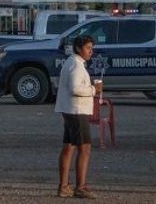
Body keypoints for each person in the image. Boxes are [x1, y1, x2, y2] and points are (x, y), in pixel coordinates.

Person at [54, 35, 102, 199]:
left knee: (69, 147)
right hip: (77, 111)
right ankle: (80, 187)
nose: (91, 51)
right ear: (78, 48)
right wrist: (94, 90)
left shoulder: (72, 62)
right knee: (85, 147)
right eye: (88, 48)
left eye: (92, 48)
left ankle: (64, 186)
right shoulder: (76, 64)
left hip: (69, 109)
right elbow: (75, 89)